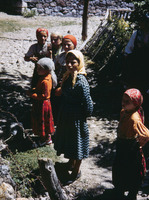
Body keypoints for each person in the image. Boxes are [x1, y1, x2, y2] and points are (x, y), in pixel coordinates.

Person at [54, 50, 93, 185]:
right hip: (66, 114)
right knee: (69, 139)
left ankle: (76, 170)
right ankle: (70, 163)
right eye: (67, 62)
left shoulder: (81, 81)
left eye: (73, 62)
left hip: (76, 116)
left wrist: (82, 116)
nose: (69, 65)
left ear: (79, 63)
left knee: (77, 142)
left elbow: (88, 103)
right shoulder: (68, 77)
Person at [112, 88, 149, 200]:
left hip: (130, 147)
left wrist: (140, 143)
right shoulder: (123, 112)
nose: (123, 103)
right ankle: (120, 190)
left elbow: (147, 134)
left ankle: (131, 194)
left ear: (135, 104)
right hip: (122, 144)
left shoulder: (134, 118)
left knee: (131, 171)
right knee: (120, 169)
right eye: (123, 100)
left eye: (127, 102)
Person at [123, 13, 149, 93]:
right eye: (141, 21)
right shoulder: (136, 34)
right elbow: (128, 49)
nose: (141, 23)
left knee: (147, 88)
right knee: (136, 88)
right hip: (136, 67)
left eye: (144, 21)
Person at [26, 57, 57, 146]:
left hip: (43, 104)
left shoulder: (45, 81)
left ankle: (44, 139)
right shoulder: (43, 77)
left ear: (47, 70)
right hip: (42, 103)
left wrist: (32, 95)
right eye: (37, 68)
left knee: (42, 120)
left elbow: (45, 95)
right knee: (45, 121)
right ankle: (47, 138)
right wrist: (35, 89)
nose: (37, 70)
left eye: (40, 68)